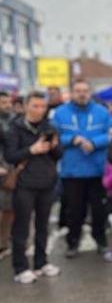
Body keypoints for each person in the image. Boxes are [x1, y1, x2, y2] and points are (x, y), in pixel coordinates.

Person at [5, 92, 63, 284]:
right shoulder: (15, 128)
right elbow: (10, 156)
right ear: (25, 106)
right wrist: (31, 149)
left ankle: (41, 263)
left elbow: (58, 155)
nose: (39, 110)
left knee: (42, 225)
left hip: (47, 182)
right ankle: (20, 267)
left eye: (42, 106)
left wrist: (54, 146)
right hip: (24, 184)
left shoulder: (49, 127)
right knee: (21, 227)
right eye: (35, 106)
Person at [53, 79, 112, 258]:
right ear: (71, 93)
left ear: (90, 92)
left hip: (97, 170)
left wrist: (95, 143)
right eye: (78, 90)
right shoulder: (60, 112)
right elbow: (54, 137)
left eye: (85, 90)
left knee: (99, 211)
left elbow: (111, 134)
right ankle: (73, 242)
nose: (82, 93)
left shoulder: (102, 112)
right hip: (72, 171)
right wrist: (73, 139)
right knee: (74, 211)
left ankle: (100, 240)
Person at [0, 90, 17, 257]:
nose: (7, 105)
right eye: (3, 102)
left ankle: (4, 242)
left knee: (9, 208)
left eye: (8, 102)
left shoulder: (14, 121)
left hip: (11, 170)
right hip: (2, 169)